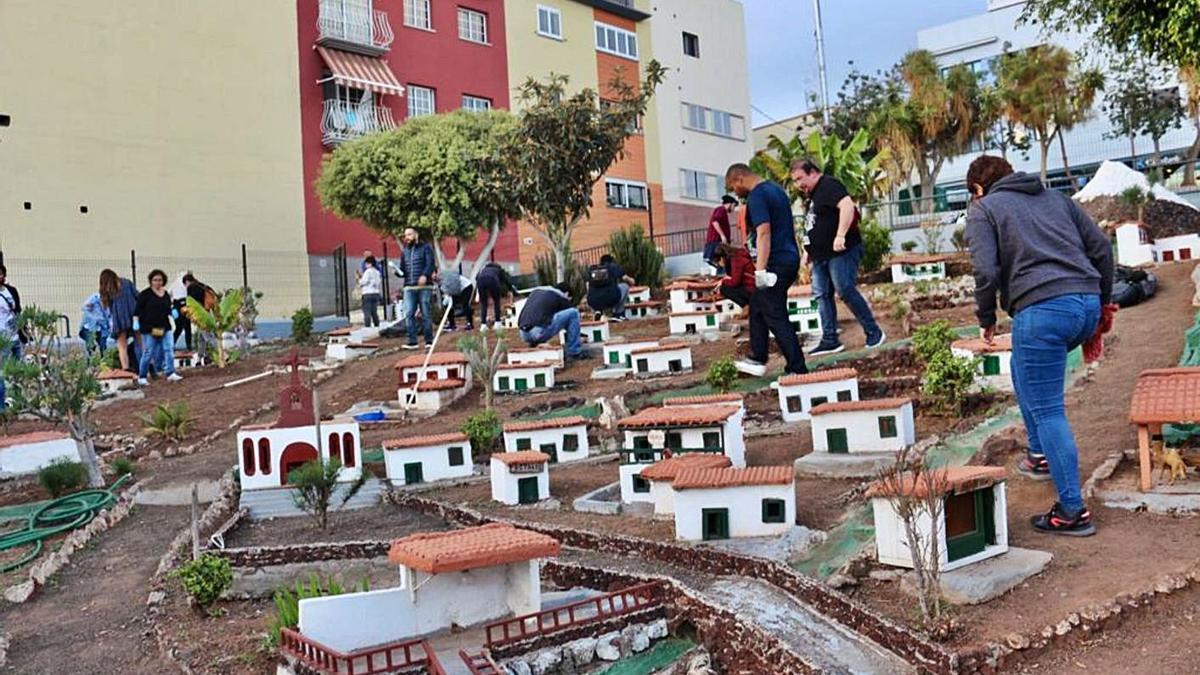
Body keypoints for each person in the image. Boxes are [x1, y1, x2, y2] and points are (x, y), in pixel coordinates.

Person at [965, 155, 1112, 537]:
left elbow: (985, 271)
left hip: (1043, 311)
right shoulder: (1057, 199)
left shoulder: (985, 210)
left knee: (1049, 411)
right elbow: (1101, 249)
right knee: (1022, 368)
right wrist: (1104, 301)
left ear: (978, 190)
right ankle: (1039, 454)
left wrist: (985, 318)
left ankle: (1071, 511)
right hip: (1085, 304)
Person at [791, 159, 885, 356]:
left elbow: (847, 205)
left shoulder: (828, 184)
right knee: (821, 295)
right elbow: (816, 223)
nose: (799, 184)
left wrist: (840, 235)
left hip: (841, 251)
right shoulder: (814, 195)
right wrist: (808, 250)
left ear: (813, 172)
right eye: (795, 181)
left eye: (801, 178)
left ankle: (874, 332)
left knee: (844, 289)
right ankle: (830, 339)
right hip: (821, 255)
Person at [725, 164, 807, 377]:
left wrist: (760, 270)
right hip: (789, 258)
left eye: (733, 187)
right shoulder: (776, 190)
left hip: (776, 262)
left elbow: (763, 233)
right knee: (758, 304)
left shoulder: (757, 196)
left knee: (775, 314)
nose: (735, 193)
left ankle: (797, 369)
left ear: (740, 178)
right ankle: (757, 357)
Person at [518, 284, 591, 361]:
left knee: (545, 319)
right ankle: (574, 352)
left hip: (523, 334)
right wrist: (579, 335)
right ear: (567, 293)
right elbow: (571, 319)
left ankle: (535, 344)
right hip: (538, 332)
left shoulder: (536, 292)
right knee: (574, 313)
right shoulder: (560, 296)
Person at [134, 269, 182, 385]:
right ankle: (142, 376)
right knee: (148, 352)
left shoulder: (165, 294)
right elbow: (137, 311)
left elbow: (168, 307)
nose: (157, 282)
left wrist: (172, 312)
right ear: (151, 281)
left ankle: (170, 372)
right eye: (155, 280)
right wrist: (136, 322)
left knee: (169, 349)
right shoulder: (145, 295)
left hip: (165, 328)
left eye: (160, 280)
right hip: (150, 329)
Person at [399, 228, 436, 349]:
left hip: (425, 286)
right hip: (409, 286)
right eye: (405, 235)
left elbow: (430, 264)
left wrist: (425, 275)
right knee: (409, 313)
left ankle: (429, 341)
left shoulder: (426, 248)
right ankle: (412, 342)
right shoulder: (404, 251)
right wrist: (398, 272)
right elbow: (403, 269)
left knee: (426, 313)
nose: (407, 237)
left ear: (416, 235)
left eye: (409, 234)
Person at [103, 269, 140, 371]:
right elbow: (138, 295)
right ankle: (149, 365)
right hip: (134, 315)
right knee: (141, 342)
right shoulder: (127, 282)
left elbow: (108, 306)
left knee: (122, 345)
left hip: (119, 319)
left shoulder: (108, 289)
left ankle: (126, 368)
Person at [586, 254, 635, 321]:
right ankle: (619, 313)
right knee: (625, 286)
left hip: (593, 301)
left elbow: (587, 286)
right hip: (611, 298)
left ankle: (598, 311)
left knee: (593, 294)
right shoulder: (613, 267)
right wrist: (632, 281)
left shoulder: (592, 270)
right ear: (612, 261)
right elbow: (626, 279)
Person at [0, 266, 22, 411]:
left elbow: (18, 309)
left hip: (15, 336)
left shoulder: (11, 290)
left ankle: (18, 403)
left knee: (19, 371)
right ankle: (2, 406)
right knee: (3, 371)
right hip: (2, 338)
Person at [711, 243, 755, 308]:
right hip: (751, 287)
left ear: (721, 258)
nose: (719, 265)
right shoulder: (738, 256)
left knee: (724, 289)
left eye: (718, 262)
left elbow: (735, 282)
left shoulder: (736, 260)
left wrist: (723, 281)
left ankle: (746, 306)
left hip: (751, 289)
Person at [475, 261, 516, 330]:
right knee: (496, 301)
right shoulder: (499, 270)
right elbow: (506, 281)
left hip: (480, 281)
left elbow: (477, 278)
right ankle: (497, 323)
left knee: (484, 303)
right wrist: (511, 290)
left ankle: (483, 325)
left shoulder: (483, 270)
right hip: (492, 280)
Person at [704, 195, 738, 274]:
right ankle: (723, 278)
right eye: (734, 206)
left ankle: (722, 277)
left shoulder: (722, 211)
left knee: (723, 264)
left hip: (717, 242)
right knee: (723, 262)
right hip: (716, 242)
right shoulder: (721, 210)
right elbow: (715, 222)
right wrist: (722, 236)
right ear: (730, 204)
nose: (733, 209)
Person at [80, 288, 112, 357]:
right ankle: (90, 362)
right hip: (90, 327)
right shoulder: (94, 298)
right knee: (90, 345)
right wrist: (88, 306)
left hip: (103, 329)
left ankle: (103, 362)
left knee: (103, 346)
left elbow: (110, 318)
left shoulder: (111, 303)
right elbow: (83, 308)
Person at [358, 255, 384, 328]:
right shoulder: (377, 272)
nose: (365, 265)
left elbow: (364, 282)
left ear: (370, 263)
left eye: (366, 263)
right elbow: (379, 281)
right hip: (376, 293)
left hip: (367, 293)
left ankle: (367, 327)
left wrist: (359, 281)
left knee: (367, 311)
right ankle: (377, 325)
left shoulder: (367, 272)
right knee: (374, 311)